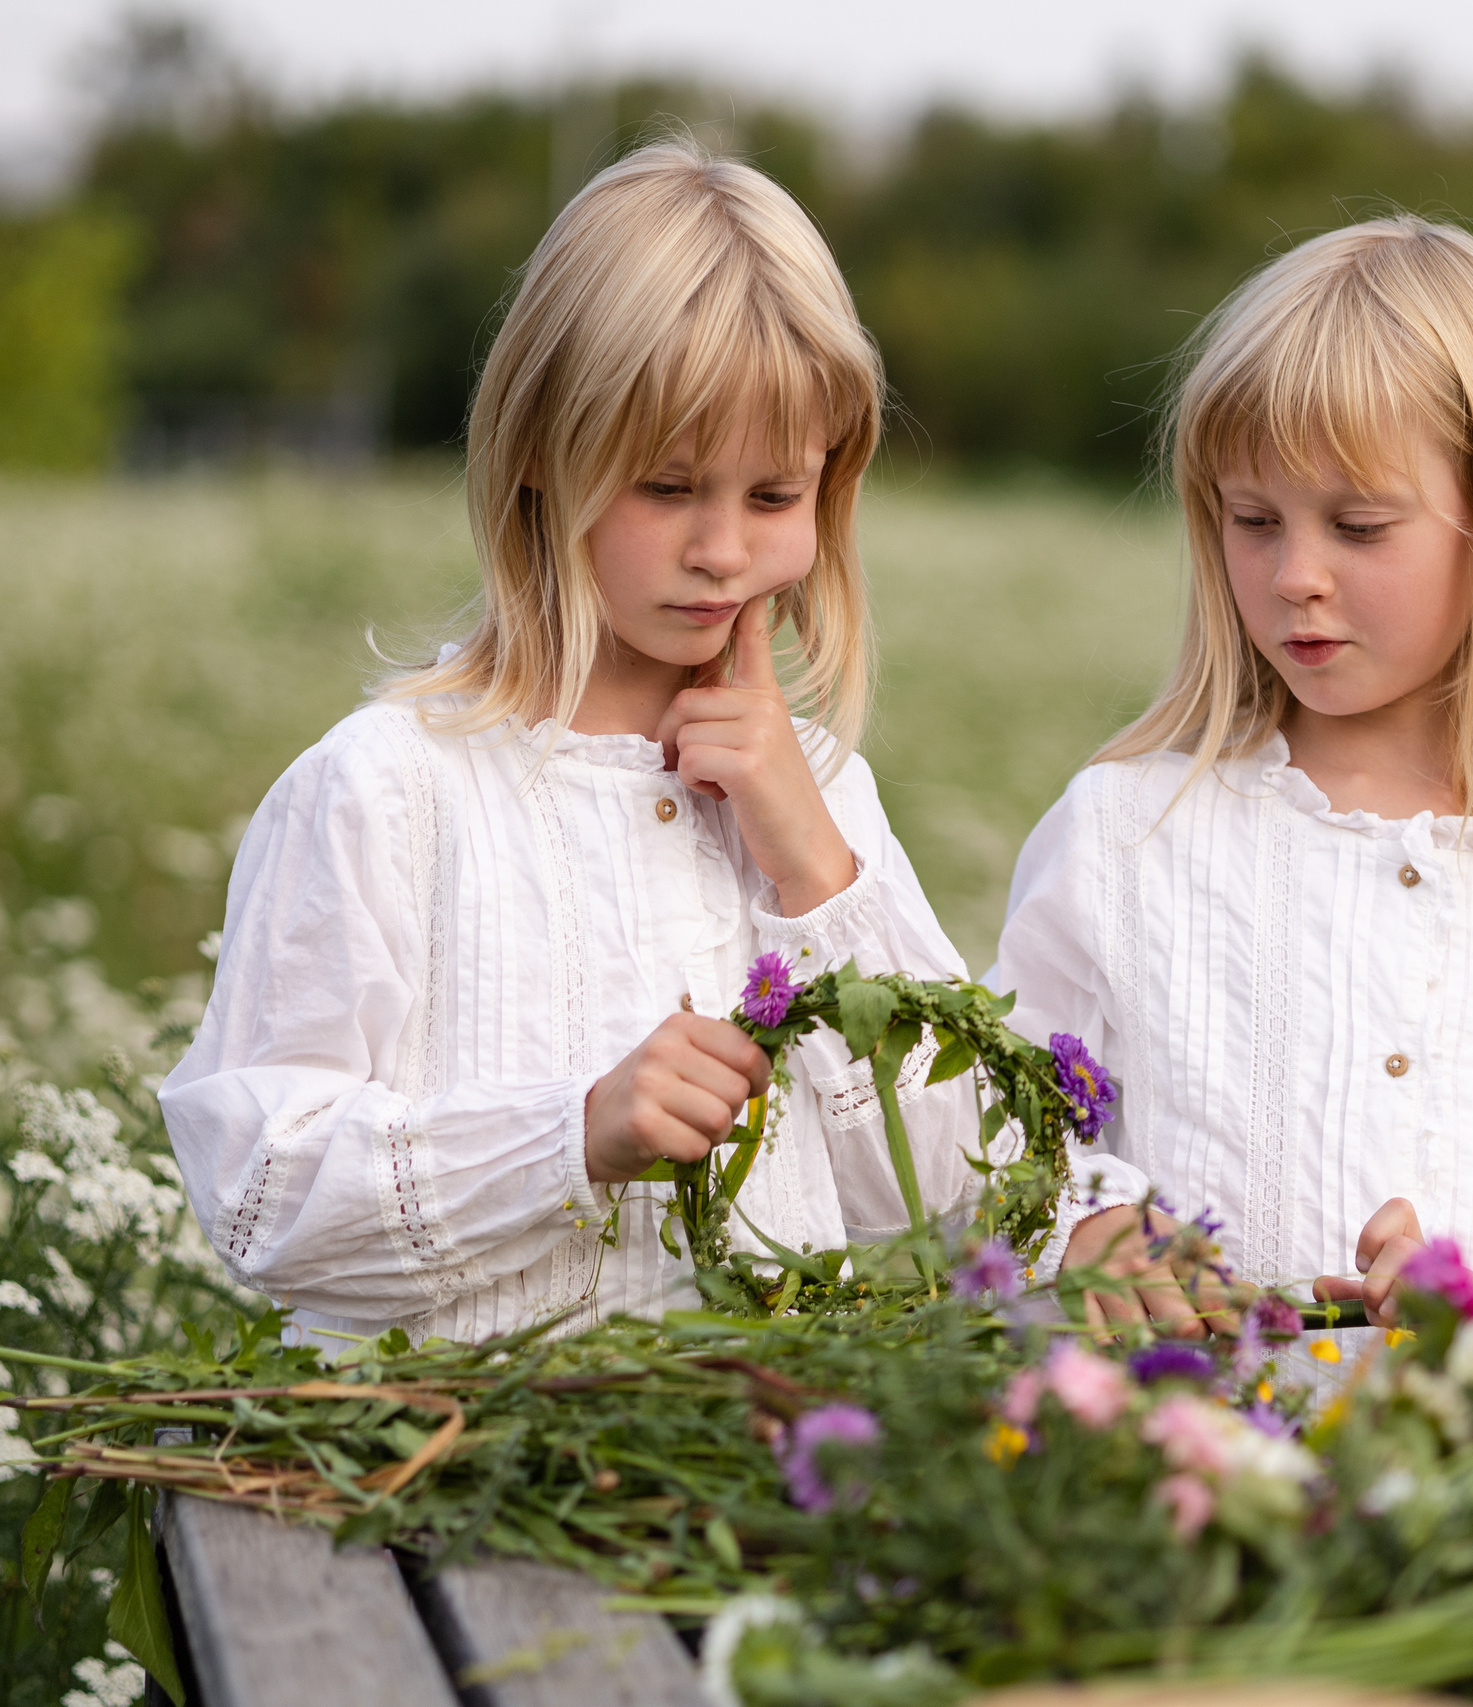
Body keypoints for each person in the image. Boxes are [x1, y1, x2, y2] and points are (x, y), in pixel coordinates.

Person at [163, 142, 979, 1347]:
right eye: (666, 487)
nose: (721, 549)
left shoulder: (821, 801)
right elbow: (260, 1195)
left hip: (768, 1498)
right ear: (544, 456)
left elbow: (956, 1198)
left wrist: (812, 866)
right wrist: (571, 1136)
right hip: (445, 1499)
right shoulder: (389, 790)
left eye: (773, 497)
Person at [990, 215, 1473, 1384]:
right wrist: (1085, 1232)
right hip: (1162, 1521)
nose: (1292, 575)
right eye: (1251, 520)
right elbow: (994, 1151)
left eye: (1357, 526)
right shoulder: (1121, 835)